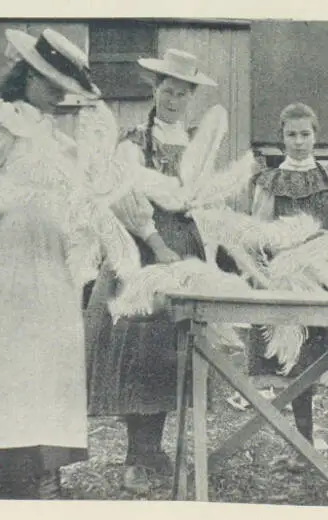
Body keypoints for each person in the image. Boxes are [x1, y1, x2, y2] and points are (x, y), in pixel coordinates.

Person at [0, 28, 136, 499]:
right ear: (27, 76)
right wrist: (23, 197)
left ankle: (39, 472)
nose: (58, 94)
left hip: (48, 268)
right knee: (5, 361)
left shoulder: (56, 139)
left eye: (63, 86)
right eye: (50, 82)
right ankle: (2, 469)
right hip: (0, 266)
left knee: (45, 363)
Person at [85, 49, 233, 495]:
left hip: (185, 251)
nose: (173, 100)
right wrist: (157, 243)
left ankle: (156, 449)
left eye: (182, 94)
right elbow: (126, 199)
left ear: (190, 98)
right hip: (146, 250)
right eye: (167, 92)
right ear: (155, 90)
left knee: (173, 350)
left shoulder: (194, 145)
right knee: (140, 350)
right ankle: (136, 454)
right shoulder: (133, 143)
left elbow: (208, 201)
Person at [240, 103, 328, 471]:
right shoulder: (270, 181)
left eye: (306, 134)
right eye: (292, 134)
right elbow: (256, 234)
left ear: (316, 136)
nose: (300, 142)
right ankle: (303, 447)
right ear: (282, 137)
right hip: (287, 279)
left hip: (324, 281)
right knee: (297, 363)